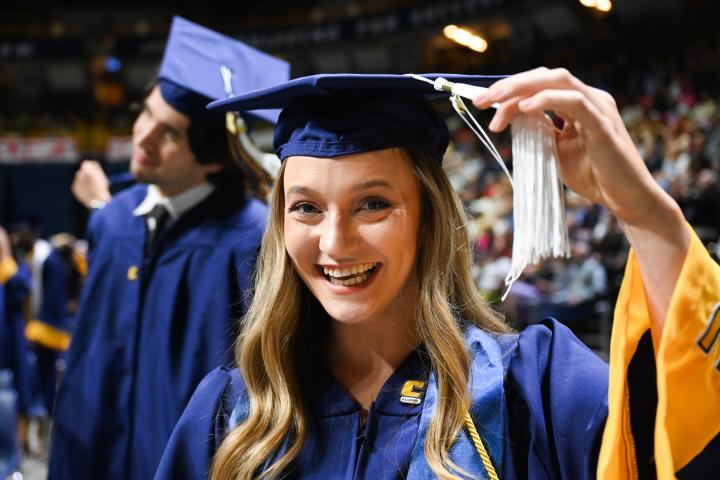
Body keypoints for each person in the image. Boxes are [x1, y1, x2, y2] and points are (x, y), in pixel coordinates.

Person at [156, 70, 719, 479]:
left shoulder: (535, 390)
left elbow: (690, 434)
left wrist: (648, 217)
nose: (334, 242)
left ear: (429, 216)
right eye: (305, 208)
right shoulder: (232, 417)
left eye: (373, 204)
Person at [49, 17, 290, 480]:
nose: (142, 138)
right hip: (90, 456)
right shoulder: (113, 221)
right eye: (145, 114)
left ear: (215, 159)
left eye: (170, 134)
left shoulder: (252, 238)